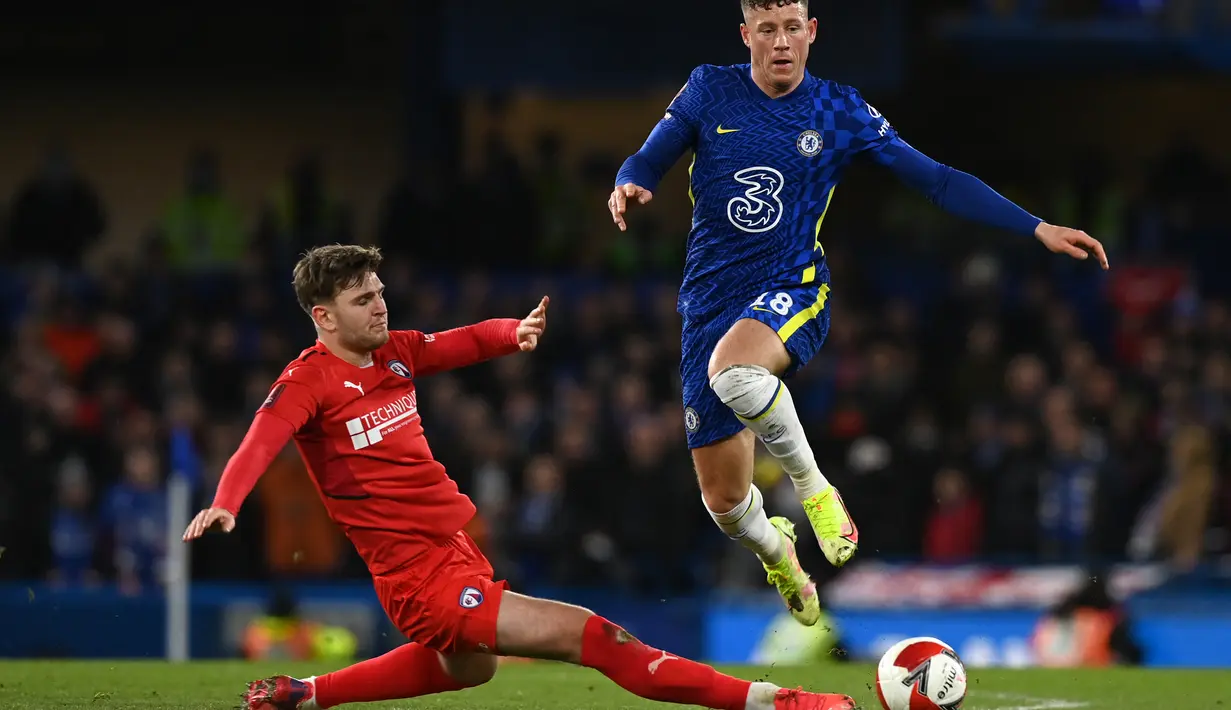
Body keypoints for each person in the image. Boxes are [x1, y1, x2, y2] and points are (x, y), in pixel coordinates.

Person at [608, 0, 1110, 628]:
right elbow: (650, 157)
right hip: (708, 303)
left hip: (793, 286)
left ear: (812, 32)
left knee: (734, 373)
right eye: (768, 30)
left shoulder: (839, 109)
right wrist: (630, 180)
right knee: (726, 500)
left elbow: (936, 180)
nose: (782, 42)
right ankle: (780, 554)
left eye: (793, 28)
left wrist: (1034, 226)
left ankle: (815, 489)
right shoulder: (710, 89)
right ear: (747, 36)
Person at [182, 244, 856, 710]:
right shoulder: (307, 382)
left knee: (467, 670)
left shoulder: (393, 353)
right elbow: (261, 439)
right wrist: (225, 501)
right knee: (594, 637)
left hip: (455, 552)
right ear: (322, 317)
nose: (380, 308)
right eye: (363, 300)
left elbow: (455, 343)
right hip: (417, 578)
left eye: (381, 293)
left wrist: (513, 332)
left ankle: (306, 694)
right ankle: (776, 701)